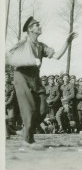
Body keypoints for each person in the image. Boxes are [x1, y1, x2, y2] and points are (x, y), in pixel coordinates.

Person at [6, 16, 77, 147]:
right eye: (37, 25)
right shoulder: (23, 42)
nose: (40, 27)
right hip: (22, 76)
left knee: (43, 109)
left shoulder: (41, 46)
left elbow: (57, 55)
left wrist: (67, 42)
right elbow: (8, 59)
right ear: (30, 29)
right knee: (29, 109)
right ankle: (28, 141)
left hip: (35, 79)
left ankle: (25, 131)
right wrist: (30, 61)